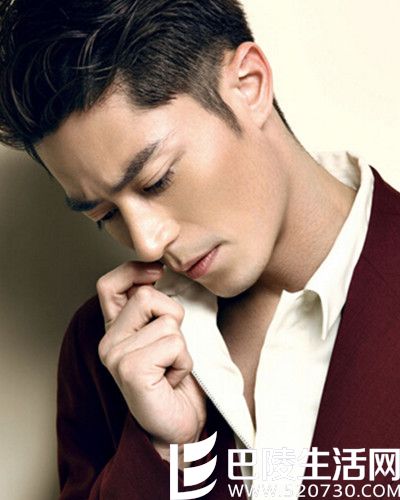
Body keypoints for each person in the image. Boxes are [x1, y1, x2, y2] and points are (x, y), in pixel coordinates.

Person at [1, 1, 399, 499]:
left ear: (249, 85)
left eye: (157, 180)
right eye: (105, 214)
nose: (147, 242)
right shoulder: (105, 355)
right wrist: (168, 454)